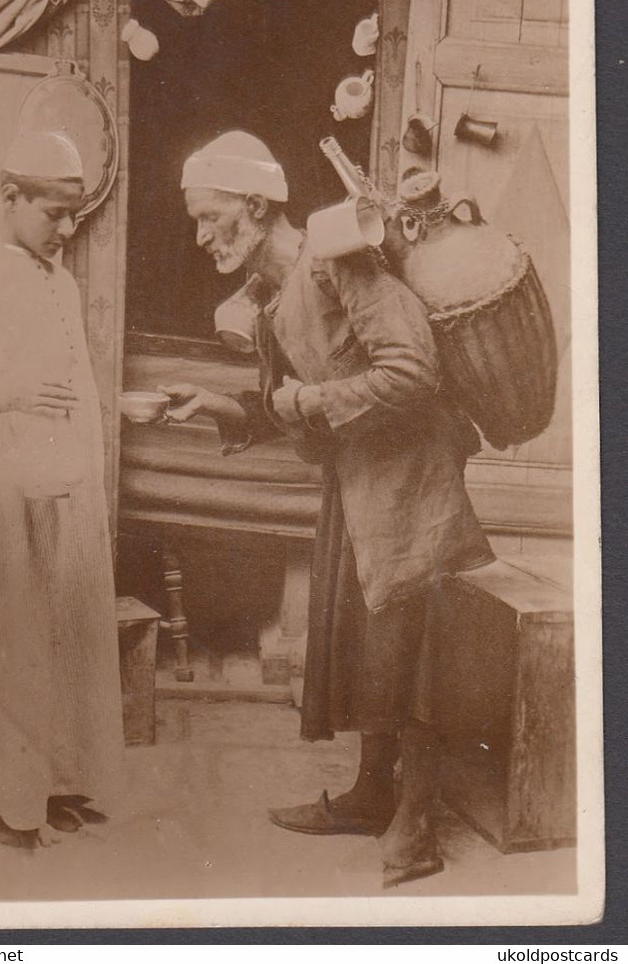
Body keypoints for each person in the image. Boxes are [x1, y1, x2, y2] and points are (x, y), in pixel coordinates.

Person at [161, 130, 494, 887]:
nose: (202, 236)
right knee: (367, 636)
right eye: (196, 222)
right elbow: (287, 409)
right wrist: (219, 403)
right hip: (358, 479)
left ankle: (417, 823)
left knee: (412, 647)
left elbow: (411, 369)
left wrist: (306, 397)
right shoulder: (274, 297)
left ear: (254, 206)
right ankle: (373, 792)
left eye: (212, 218)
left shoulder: (335, 255)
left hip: (412, 480)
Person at [0, 130, 124, 850]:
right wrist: (2, 393)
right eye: (54, 214)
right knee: (8, 639)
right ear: (10, 199)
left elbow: (68, 385)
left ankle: (52, 783)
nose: (68, 231)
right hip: (2, 497)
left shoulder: (62, 281)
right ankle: (3, 801)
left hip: (63, 493)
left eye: (76, 215)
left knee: (63, 633)